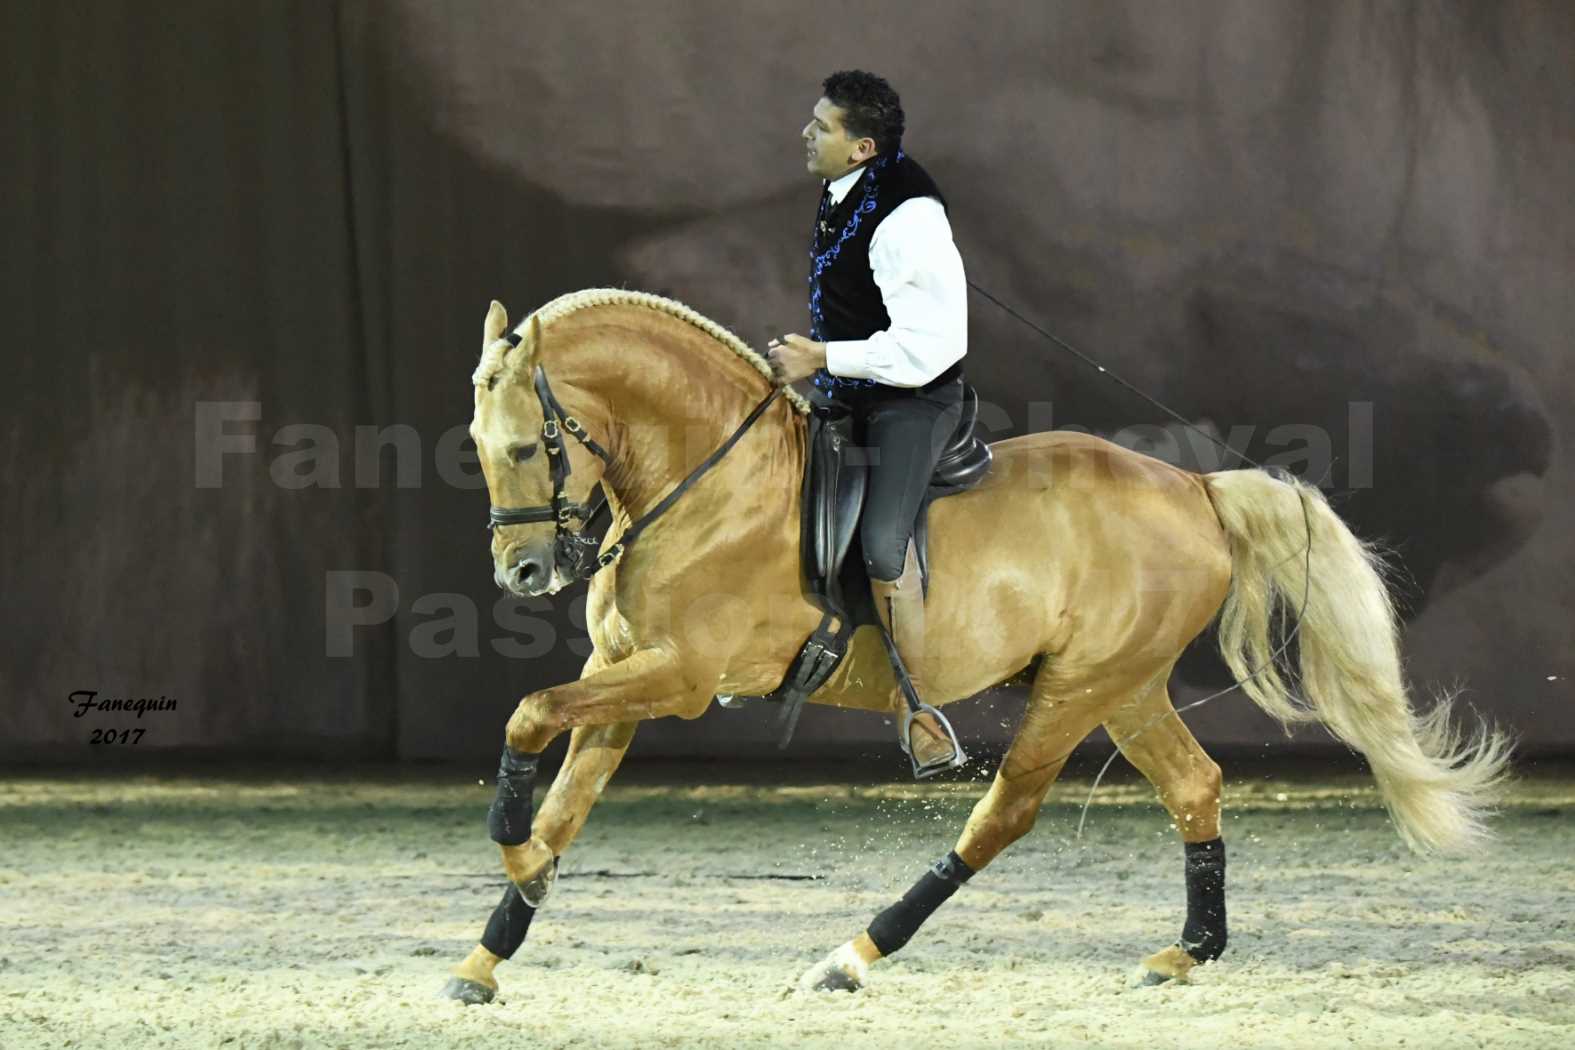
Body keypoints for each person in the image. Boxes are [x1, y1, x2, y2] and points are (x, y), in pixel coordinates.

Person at [765, 70, 968, 774]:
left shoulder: (908, 213)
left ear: (861, 149)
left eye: (820, 126)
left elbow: (928, 346)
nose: (806, 133)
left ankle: (918, 707)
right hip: (848, 391)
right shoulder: (843, 189)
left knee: (882, 542)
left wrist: (822, 353)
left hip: (909, 399)